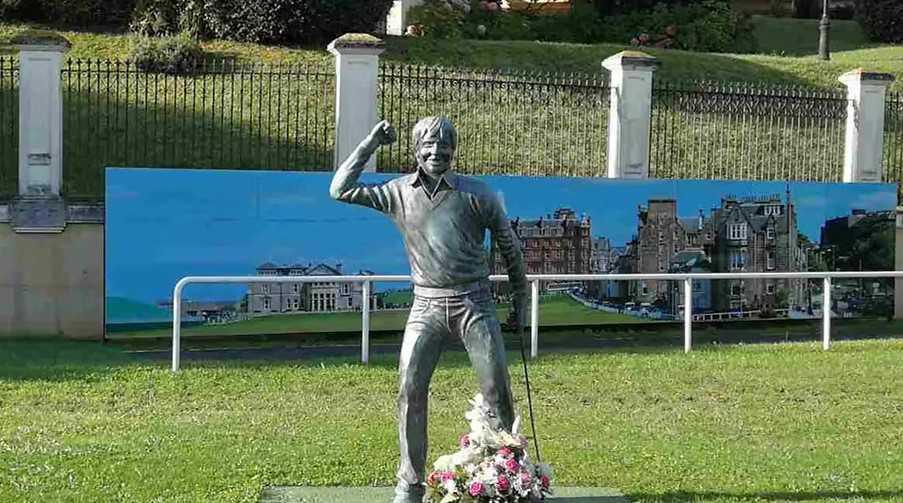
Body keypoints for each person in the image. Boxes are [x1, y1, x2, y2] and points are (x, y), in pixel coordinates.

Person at [329, 116, 528, 503]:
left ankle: (509, 476)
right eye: (428, 146)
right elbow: (340, 188)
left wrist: (520, 297)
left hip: (476, 304)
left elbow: (510, 246)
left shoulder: (478, 193)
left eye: (444, 145)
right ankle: (410, 483)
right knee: (410, 391)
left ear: (454, 149)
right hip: (426, 307)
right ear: (416, 150)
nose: (437, 152)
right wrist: (370, 142)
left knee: (497, 390)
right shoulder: (397, 192)